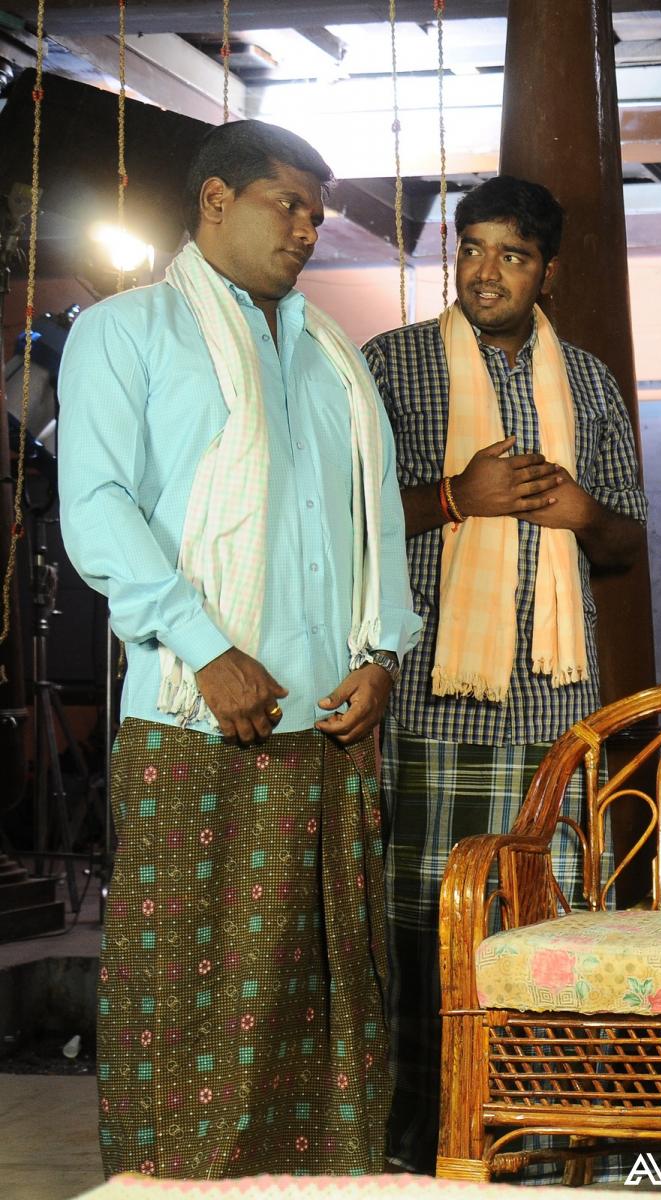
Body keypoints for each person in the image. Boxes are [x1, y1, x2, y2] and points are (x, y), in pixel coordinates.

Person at [58, 119, 420, 1180]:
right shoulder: (127, 332)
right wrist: (207, 649)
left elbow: (375, 526)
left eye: (317, 212)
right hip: (196, 721)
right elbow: (98, 508)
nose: (308, 228)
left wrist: (384, 656)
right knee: (189, 999)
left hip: (333, 727)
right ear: (216, 199)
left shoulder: (330, 356)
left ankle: (322, 1185)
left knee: (331, 998)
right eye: (288, 204)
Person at [362, 175, 648, 1175]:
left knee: (544, 927)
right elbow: (343, 518)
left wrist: (582, 515)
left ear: (547, 272)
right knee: (422, 931)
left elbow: (624, 544)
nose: (485, 272)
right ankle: (421, 1142)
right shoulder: (392, 364)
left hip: (555, 706)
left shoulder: (591, 382)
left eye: (512, 255)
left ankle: (539, 1138)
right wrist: (457, 495)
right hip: (429, 698)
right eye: (472, 248)